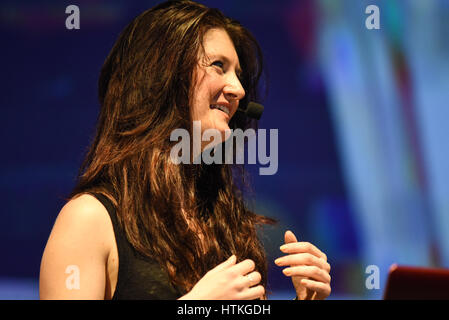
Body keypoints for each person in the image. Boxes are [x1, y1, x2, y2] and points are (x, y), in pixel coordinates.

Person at [39, 0, 331, 300]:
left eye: (238, 75)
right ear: (162, 75)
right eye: (219, 66)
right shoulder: (88, 220)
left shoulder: (224, 227)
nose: (239, 90)